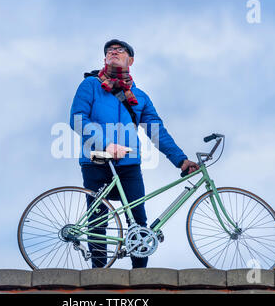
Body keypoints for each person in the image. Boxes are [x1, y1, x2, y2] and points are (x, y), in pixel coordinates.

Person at [69, 39, 199, 268]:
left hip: (128, 163)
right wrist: (106, 144)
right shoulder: (90, 85)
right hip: (96, 160)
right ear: (104, 59)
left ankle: (140, 276)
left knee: (137, 219)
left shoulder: (139, 96)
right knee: (98, 217)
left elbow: (157, 131)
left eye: (120, 50)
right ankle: (98, 273)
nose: (113, 52)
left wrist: (181, 160)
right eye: (109, 51)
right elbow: (78, 119)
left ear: (131, 60)